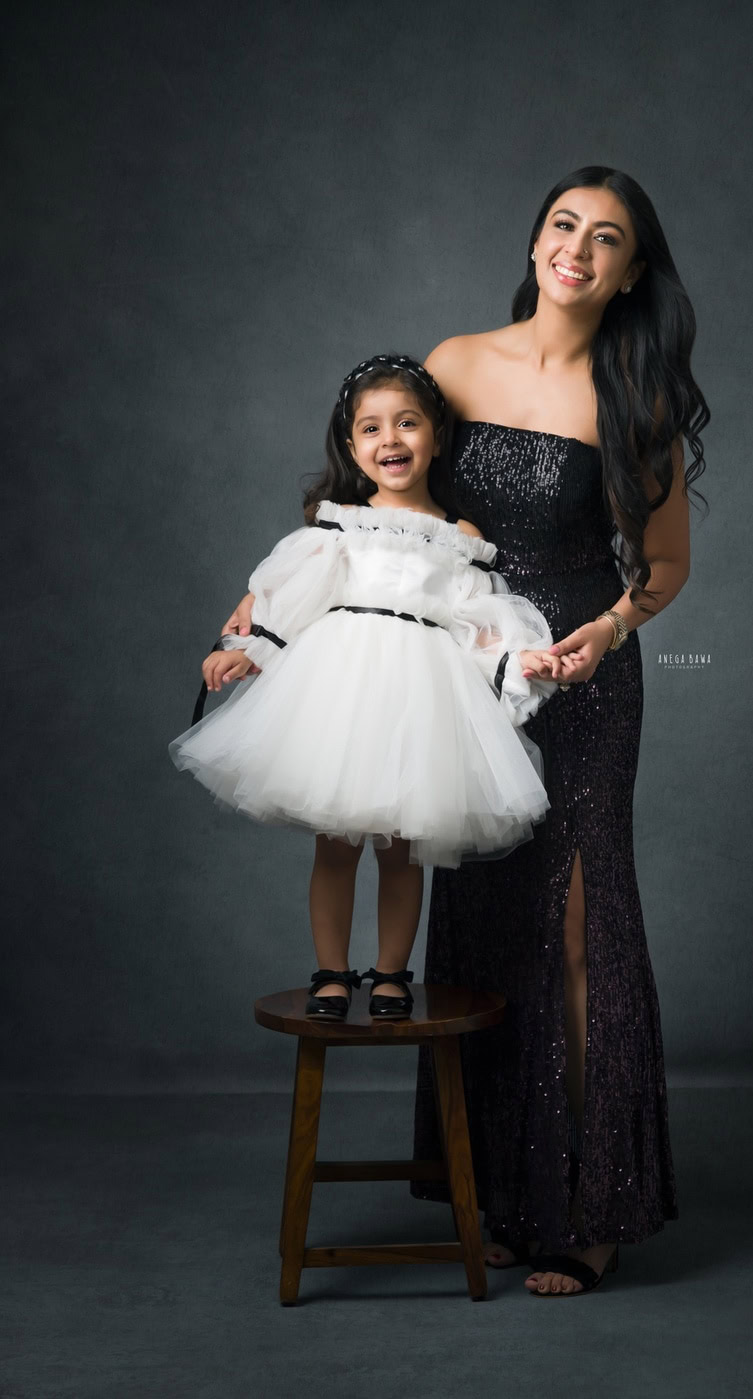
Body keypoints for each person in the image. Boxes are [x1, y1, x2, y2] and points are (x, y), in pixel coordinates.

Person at [225, 166, 709, 1297]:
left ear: (631, 270)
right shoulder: (452, 362)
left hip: (578, 678)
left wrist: (609, 628)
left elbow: (671, 565)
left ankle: (591, 1208)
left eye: (605, 238)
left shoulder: (631, 398)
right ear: (536, 240)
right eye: (561, 225)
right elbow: (380, 491)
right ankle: (496, 1196)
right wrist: (278, 596)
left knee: (581, 925)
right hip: (457, 669)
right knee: (484, 921)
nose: (576, 250)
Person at [171, 353, 565, 1022]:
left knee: (403, 845)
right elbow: (297, 593)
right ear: (352, 446)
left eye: (407, 423)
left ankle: (389, 976)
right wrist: (247, 646)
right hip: (341, 691)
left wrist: (516, 660)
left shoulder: (461, 537)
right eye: (372, 428)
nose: (391, 440)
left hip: (422, 699)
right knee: (335, 841)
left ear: (435, 436)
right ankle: (329, 973)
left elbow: (478, 617)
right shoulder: (340, 523)